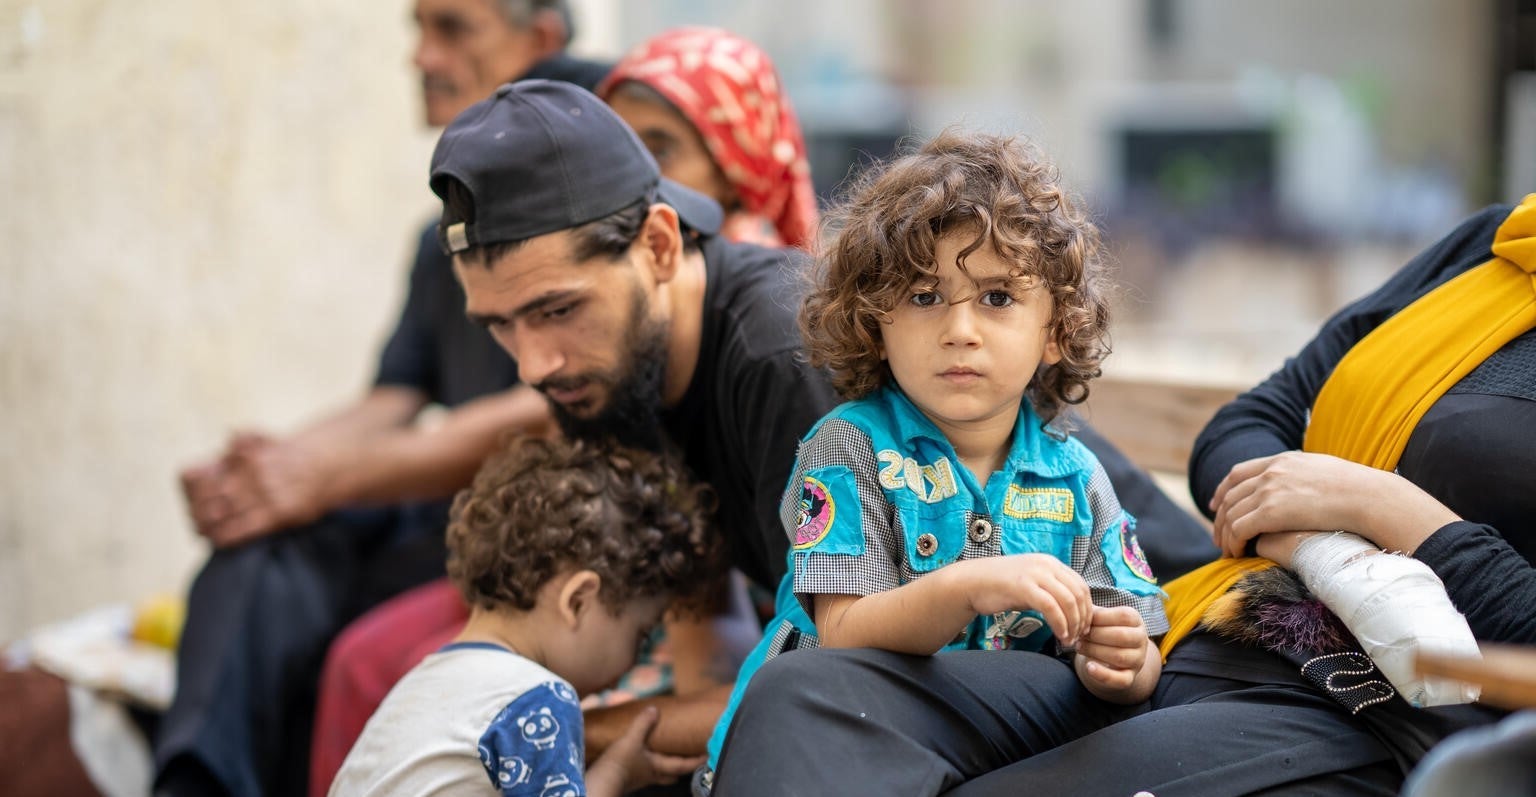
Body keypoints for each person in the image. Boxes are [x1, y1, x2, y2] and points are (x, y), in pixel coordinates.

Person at [307, 28, 821, 793]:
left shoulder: (781, 355)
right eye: (500, 324)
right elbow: (703, 633)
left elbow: (840, 689)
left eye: (556, 309)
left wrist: (549, 732)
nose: (532, 364)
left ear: (656, 244)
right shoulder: (606, 372)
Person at [156, 3, 608, 795]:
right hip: (449, 507)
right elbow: (394, 396)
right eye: (417, 29)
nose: (420, 57)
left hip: (534, 526)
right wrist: (275, 467)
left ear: (540, 42)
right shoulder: (443, 241)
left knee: (336, 598)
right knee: (260, 549)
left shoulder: (587, 218)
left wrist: (322, 477)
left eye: (453, 29)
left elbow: (548, 408)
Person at [946, 194, 1536, 795]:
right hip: (1228, 600)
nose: (961, 329)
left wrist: (1374, 504)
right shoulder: (1501, 244)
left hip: (1384, 701)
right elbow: (1245, 423)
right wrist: (1315, 538)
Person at [705, 129, 1168, 796]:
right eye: (924, 297)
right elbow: (843, 632)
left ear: (1057, 332)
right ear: (874, 323)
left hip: (970, 762)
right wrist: (970, 586)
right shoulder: (847, 447)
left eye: (998, 298)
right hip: (816, 757)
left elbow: (1138, 639)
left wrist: (1122, 663)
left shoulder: (1078, 478)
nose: (960, 328)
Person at [329, 435, 719, 797]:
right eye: (641, 634)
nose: (633, 661)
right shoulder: (535, 699)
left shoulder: (417, 686)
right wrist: (617, 771)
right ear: (579, 601)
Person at [597, 26, 819, 249]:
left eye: (660, 153)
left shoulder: (759, 280)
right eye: (617, 147)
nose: (626, 174)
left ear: (735, 176)